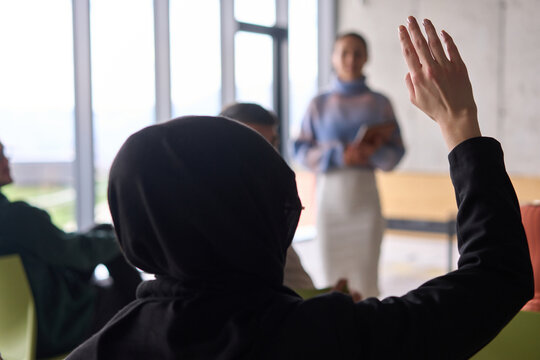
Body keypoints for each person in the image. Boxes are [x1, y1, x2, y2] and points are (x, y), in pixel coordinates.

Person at [67, 17, 533, 359]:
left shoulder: (94, 351)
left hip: (363, 191)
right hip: (341, 191)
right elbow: (497, 279)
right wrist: (460, 125)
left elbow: (392, 152)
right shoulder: (328, 337)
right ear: (272, 207)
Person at [0, 142, 141, 358]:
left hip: (12, 334)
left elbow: (63, 247)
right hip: (55, 326)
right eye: (1, 156)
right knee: (128, 294)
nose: (7, 161)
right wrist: (121, 238)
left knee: (101, 232)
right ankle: (151, 321)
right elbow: (76, 254)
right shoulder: (18, 217)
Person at [293, 31, 405, 298]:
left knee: (366, 277)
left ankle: (367, 334)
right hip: (331, 198)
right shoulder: (318, 104)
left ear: (367, 57)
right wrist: (340, 155)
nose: (350, 59)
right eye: (344, 52)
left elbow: (396, 152)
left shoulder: (381, 103)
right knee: (332, 276)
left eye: (357, 53)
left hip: (365, 197)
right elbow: (300, 150)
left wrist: (369, 153)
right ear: (333, 57)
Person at [219, 102, 315, 290]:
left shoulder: (268, 201)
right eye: (254, 144)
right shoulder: (206, 211)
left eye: (271, 145)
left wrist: (330, 299)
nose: (267, 155)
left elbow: (294, 279)